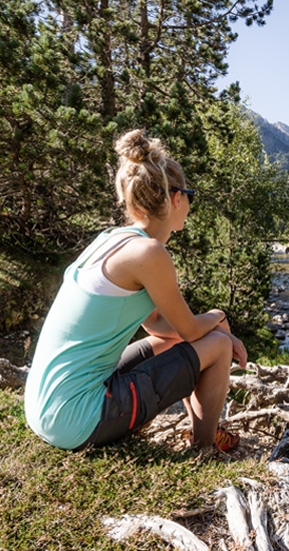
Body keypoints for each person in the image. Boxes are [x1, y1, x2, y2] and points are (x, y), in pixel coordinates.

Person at [24, 129, 246, 452]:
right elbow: (189, 328)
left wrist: (208, 327)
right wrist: (219, 317)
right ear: (175, 198)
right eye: (190, 195)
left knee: (183, 340)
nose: (189, 203)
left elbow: (155, 323)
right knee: (220, 345)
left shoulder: (111, 240)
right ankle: (205, 450)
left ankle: (205, 429)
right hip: (76, 419)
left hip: (46, 407)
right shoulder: (150, 254)